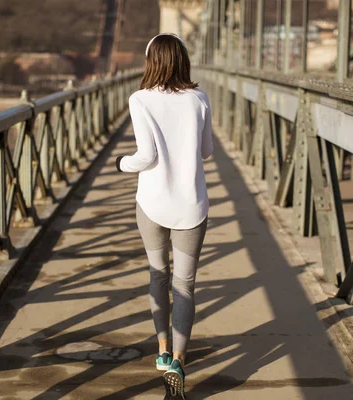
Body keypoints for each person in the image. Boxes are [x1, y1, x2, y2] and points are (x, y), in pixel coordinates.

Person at [115, 33, 213, 400]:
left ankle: (161, 352)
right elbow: (207, 152)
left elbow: (146, 156)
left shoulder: (139, 99)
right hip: (191, 206)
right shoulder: (199, 98)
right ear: (183, 60)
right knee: (185, 284)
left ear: (150, 61)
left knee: (159, 276)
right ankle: (179, 360)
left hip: (152, 204)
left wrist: (121, 163)